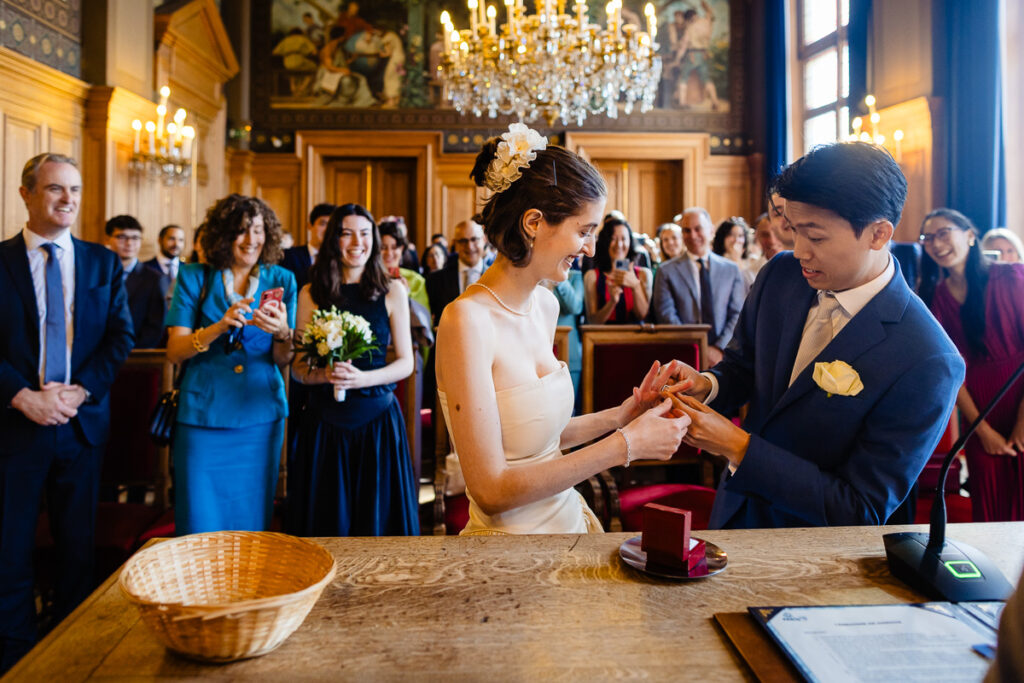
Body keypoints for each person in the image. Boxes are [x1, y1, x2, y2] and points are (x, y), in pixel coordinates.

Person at [664, 141, 964, 530]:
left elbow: (861, 507)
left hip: (818, 549)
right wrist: (707, 385)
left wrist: (738, 447)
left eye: (816, 237)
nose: (799, 251)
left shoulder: (927, 358)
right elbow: (743, 366)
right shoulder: (780, 275)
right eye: (793, 230)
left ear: (878, 234)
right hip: (734, 513)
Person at [434, 124, 690, 535]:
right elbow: (490, 490)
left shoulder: (546, 305)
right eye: (584, 231)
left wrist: (621, 416)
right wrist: (623, 446)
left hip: (570, 523)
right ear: (534, 222)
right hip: (509, 546)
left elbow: (537, 435)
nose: (591, 248)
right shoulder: (466, 321)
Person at [0, 153, 134, 673]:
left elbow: (120, 337)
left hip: (80, 428)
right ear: (26, 194)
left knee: (78, 553)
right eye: (56, 188)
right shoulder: (2, 261)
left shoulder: (102, 262)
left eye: (74, 189)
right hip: (16, 427)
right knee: (10, 553)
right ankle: (16, 661)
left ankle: (75, 660)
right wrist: (22, 396)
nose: (68, 199)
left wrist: (81, 392)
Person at [165, 194, 296, 535]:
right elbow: (175, 351)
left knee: (250, 523)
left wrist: (283, 332)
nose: (251, 239)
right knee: (199, 521)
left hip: (259, 416)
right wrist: (219, 327)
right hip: (202, 416)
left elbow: (283, 358)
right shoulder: (194, 276)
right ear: (223, 235)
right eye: (241, 230)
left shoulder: (282, 279)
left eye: (258, 230)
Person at [287, 204, 419, 536]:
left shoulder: (392, 289)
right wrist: (324, 375)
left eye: (364, 234)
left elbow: (406, 362)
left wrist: (363, 379)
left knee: (378, 523)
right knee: (326, 522)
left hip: (377, 422)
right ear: (334, 239)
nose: (357, 243)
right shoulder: (311, 293)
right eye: (347, 234)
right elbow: (299, 369)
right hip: (325, 423)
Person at [919, 208, 1024, 521]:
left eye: (943, 233)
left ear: (969, 235)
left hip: (1020, 395)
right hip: (979, 407)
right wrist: (982, 430)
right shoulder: (936, 296)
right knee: (990, 510)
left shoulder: (1011, 276)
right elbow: (950, 371)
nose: (936, 244)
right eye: (928, 238)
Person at [652, 207, 744, 365]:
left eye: (698, 229)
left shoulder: (731, 269)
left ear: (711, 230)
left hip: (724, 356)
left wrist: (718, 348)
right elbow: (666, 315)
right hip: (684, 355)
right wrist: (696, 349)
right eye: (687, 230)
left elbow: (737, 314)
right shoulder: (666, 271)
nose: (693, 235)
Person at [104, 215, 165, 348]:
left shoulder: (154, 279)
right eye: (122, 237)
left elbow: (155, 326)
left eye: (135, 238)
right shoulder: (98, 274)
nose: (129, 243)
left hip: (135, 352)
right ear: (107, 239)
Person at [583, 216, 653, 324]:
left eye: (624, 239)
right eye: (613, 239)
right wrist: (612, 302)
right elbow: (592, 322)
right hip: (603, 334)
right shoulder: (592, 276)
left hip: (635, 334)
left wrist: (635, 286)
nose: (619, 245)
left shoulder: (644, 274)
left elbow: (642, 316)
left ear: (630, 242)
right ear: (605, 242)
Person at [426, 219, 487, 327]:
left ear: (484, 240)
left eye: (474, 239)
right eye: (463, 241)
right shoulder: (435, 280)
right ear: (456, 244)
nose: (469, 246)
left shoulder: (500, 279)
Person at [380, 219, 430, 314]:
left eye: (394, 247)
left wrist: (405, 293)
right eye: (383, 247)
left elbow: (424, 318)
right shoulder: (368, 278)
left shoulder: (416, 280)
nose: (389, 253)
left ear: (402, 249)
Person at [281, 203, 335, 290]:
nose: (327, 229)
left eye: (331, 225)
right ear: (310, 226)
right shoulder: (289, 256)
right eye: (322, 224)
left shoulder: (340, 258)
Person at [712, 217, 757, 292]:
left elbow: (752, 287)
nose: (736, 240)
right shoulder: (714, 261)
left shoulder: (752, 261)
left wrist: (737, 260)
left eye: (740, 236)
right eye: (731, 235)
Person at [144, 223, 185, 300]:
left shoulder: (187, 269)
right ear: (160, 240)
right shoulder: (145, 268)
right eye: (171, 239)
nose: (176, 244)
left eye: (181, 240)